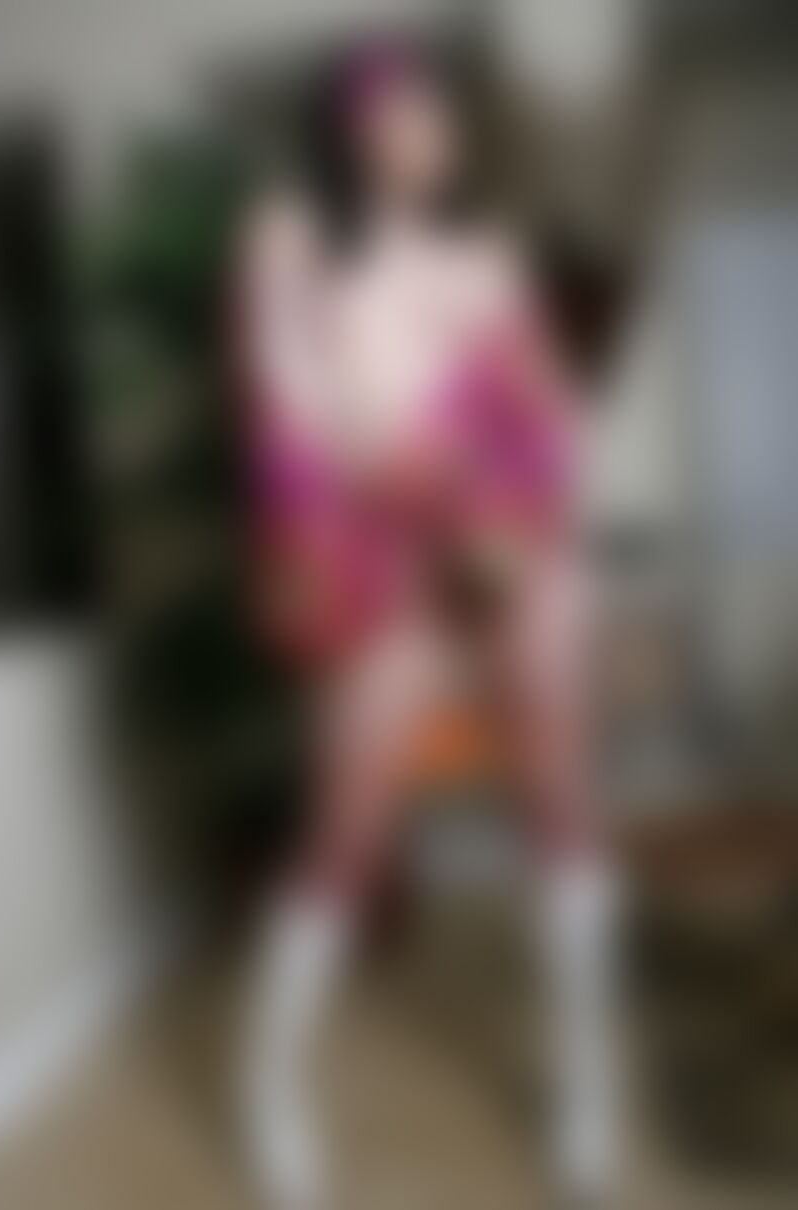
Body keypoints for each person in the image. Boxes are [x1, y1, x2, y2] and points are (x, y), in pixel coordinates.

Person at [235, 35, 619, 1209]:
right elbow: (291, 410)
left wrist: (513, 511)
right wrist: (406, 500)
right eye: (403, 107)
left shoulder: (489, 255)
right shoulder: (291, 237)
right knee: (347, 830)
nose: (430, 126)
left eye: (439, 108)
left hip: (511, 552)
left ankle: (587, 1080)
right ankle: (270, 1085)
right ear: (349, 127)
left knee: (559, 800)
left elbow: (550, 417)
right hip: (380, 557)